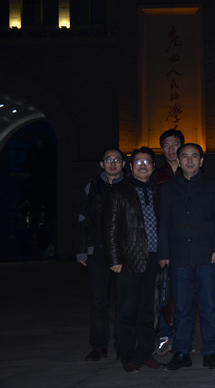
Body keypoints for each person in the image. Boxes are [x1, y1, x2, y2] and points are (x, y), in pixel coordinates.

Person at [159, 143, 215, 370]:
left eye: (194, 156)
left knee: (208, 306)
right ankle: (181, 352)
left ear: (201, 161)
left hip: (206, 255)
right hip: (178, 256)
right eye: (185, 156)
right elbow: (164, 223)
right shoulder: (169, 188)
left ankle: (211, 352)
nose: (189, 160)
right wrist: (164, 253)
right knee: (181, 308)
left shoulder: (213, 186)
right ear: (178, 161)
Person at [102, 147, 163, 372]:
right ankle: (127, 355)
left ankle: (145, 353)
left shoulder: (157, 191)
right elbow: (109, 228)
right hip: (127, 260)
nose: (143, 166)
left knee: (149, 310)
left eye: (147, 162)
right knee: (127, 310)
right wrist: (114, 259)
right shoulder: (119, 191)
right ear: (130, 166)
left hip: (153, 258)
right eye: (138, 162)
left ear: (153, 167)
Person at [76, 147, 125, 362]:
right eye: (108, 160)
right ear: (102, 164)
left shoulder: (130, 186)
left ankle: (123, 345)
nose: (113, 163)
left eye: (117, 160)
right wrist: (81, 250)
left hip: (124, 252)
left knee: (124, 301)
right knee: (98, 301)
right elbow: (83, 219)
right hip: (98, 251)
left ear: (123, 164)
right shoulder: (92, 187)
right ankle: (98, 346)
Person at [153, 128, 184, 356]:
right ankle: (165, 334)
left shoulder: (192, 171)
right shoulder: (156, 176)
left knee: (185, 291)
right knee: (163, 289)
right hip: (163, 239)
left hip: (188, 241)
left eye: (175, 144)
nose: (171, 149)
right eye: (166, 145)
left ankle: (182, 336)